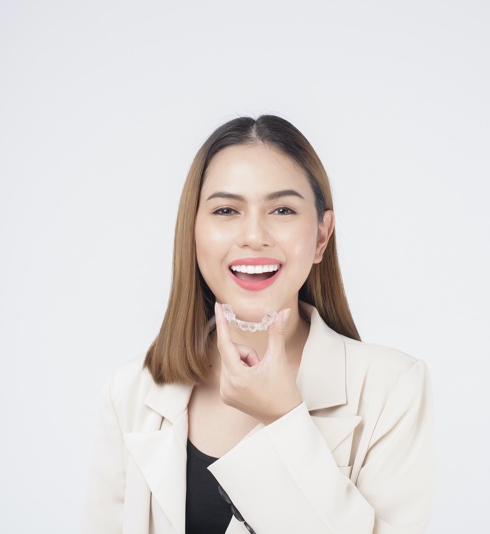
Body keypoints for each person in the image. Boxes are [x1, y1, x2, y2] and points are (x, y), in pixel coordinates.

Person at [81, 115, 434, 533]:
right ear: (192, 232)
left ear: (321, 237)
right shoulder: (131, 393)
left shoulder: (392, 388)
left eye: (282, 209)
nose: (253, 235)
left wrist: (285, 419)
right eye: (226, 210)